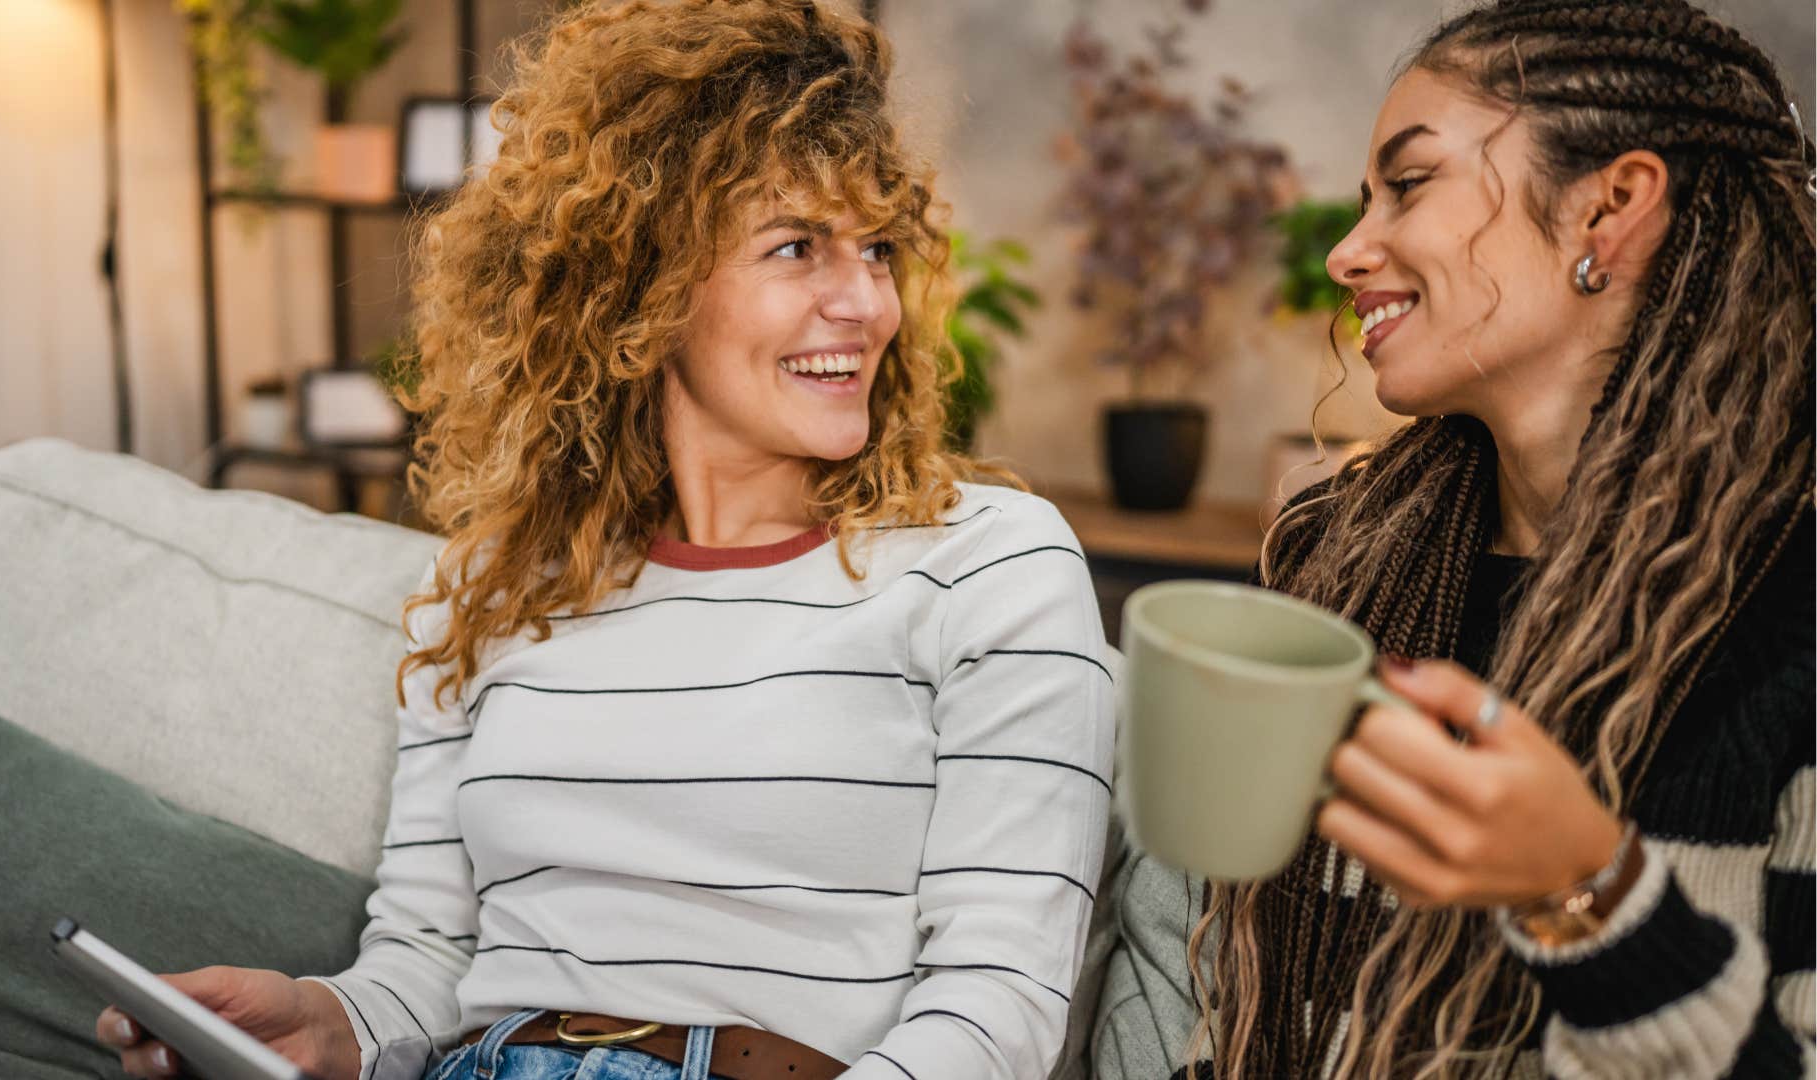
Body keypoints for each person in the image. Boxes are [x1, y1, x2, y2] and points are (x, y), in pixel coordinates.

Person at [97, 2, 1114, 1078]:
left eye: (874, 248)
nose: (865, 300)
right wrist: (324, 1023)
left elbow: (996, 1003)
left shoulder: (991, 565)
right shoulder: (491, 583)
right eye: (796, 247)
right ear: (644, 282)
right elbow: (431, 956)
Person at [1083, 0, 1814, 1076]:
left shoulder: (1792, 618)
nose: (1346, 253)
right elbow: (1186, 972)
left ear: (1609, 210)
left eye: (1409, 185)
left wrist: (1590, 898)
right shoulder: (1337, 558)